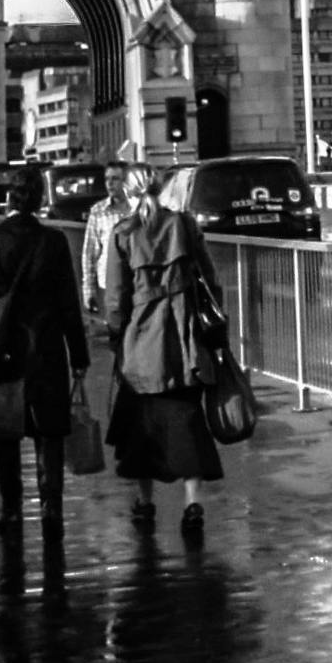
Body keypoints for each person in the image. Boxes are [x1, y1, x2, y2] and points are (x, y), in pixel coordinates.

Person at [0, 161, 89, 538]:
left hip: (3, 350)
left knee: (6, 434)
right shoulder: (53, 241)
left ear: (9, 198)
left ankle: (12, 511)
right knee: (48, 433)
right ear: (39, 200)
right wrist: (80, 356)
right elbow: (70, 303)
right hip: (47, 348)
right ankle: (51, 507)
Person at [105, 186, 225, 538]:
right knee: (188, 422)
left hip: (142, 340)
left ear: (129, 193)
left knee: (142, 424)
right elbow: (210, 279)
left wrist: (116, 333)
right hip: (183, 336)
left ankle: (145, 501)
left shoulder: (124, 233)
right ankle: (192, 504)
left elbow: (116, 296)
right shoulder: (183, 226)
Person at [78, 163, 132, 324]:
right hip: (108, 286)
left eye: (115, 179)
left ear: (126, 181)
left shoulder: (137, 209)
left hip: (136, 283)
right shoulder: (99, 211)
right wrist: (88, 290)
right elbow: (89, 253)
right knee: (115, 333)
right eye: (107, 179)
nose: (110, 183)